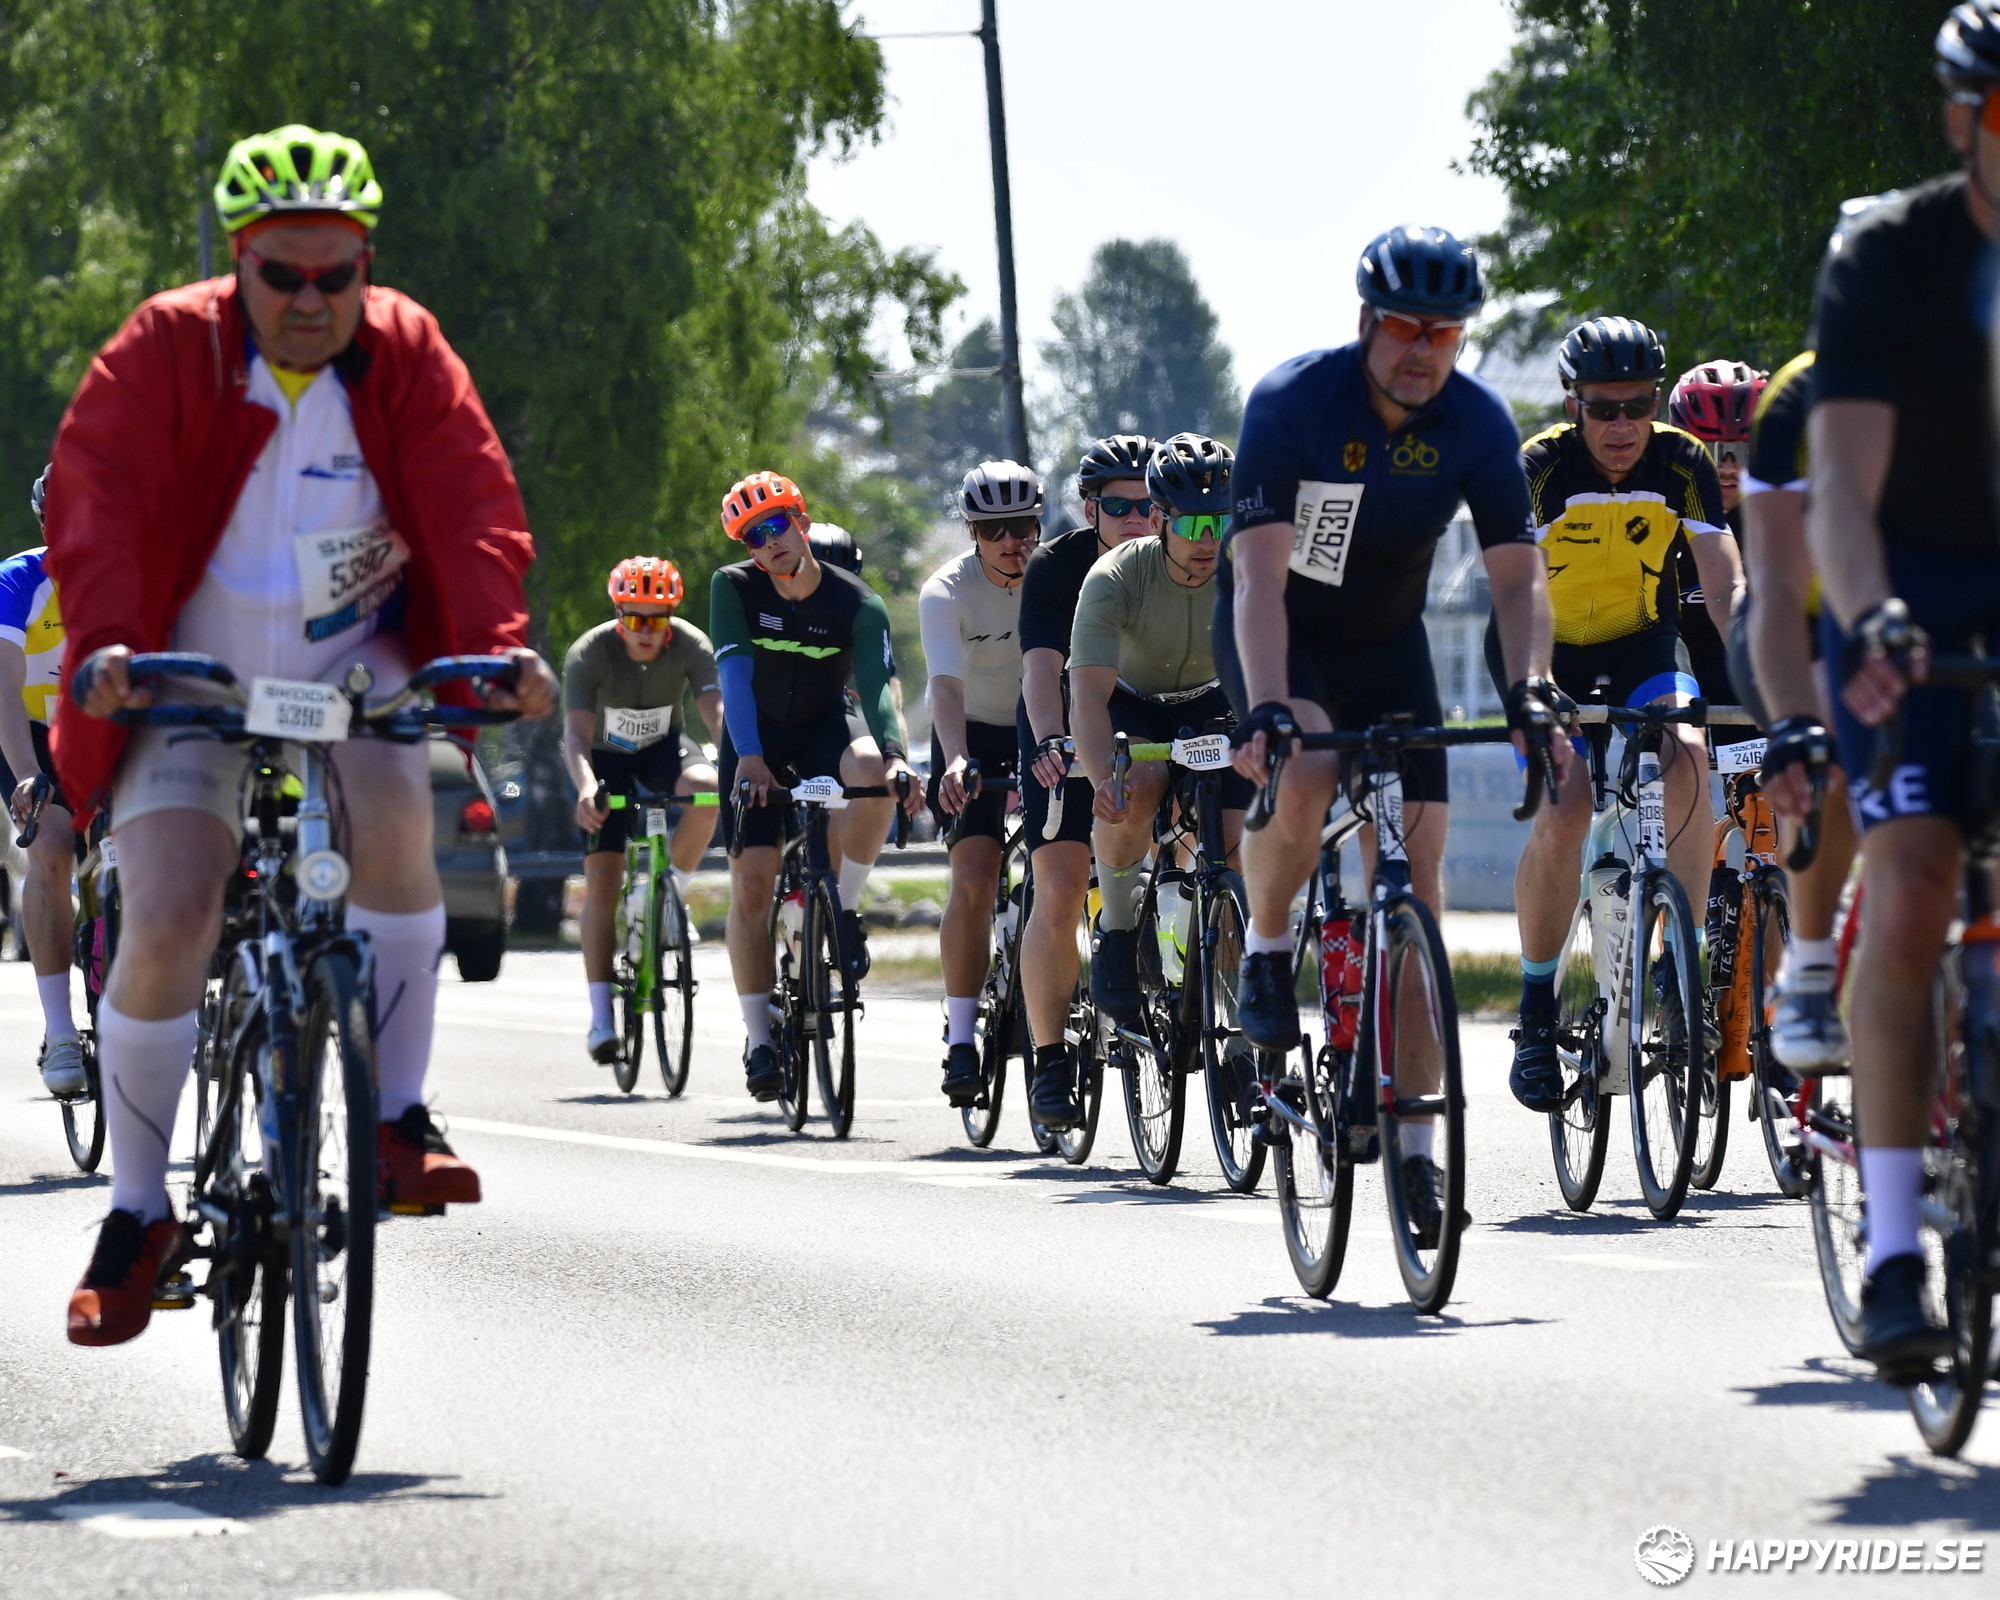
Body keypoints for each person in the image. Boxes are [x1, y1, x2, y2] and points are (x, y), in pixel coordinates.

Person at [46, 123, 556, 1347]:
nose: (313, 301)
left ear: (365, 265)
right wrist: (106, 646)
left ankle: (397, 1120)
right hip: (186, 662)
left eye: (339, 275)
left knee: (397, 815)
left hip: (350, 657)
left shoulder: (406, 348)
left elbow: (472, 500)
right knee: (172, 905)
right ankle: (135, 1214)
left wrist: (497, 649)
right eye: (284, 276)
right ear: (240, 264)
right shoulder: (166, 346)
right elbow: (97, 496)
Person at [1221, 225, 1562, 1233]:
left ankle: (1417, 1158)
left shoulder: (1475, 420)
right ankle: (1267, 946)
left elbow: (1516, 578)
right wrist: (1267, 705)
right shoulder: (1293, 403)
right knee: (1302, 774)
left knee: (1418, 903)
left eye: (1444, 333)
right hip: (1285, 639)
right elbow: (1257, 576)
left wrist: (1530, 689)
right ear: (1367, 321)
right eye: (1407, 328)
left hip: (1388, 648)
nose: (1423, 350)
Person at [1798, 0, 2000, 1380]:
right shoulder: (1886, 254)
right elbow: (1841, 492)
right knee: (1917, 878)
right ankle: (1888, 1255)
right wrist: (1869, 610)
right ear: (1960, 118)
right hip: (1903, 588)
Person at [1498, 316, 1743, 1114]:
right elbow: (1517, 587)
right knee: (1565, 809)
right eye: (1604, 408)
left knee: (1690, 758)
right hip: (1549, 648)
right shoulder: (1539, 467)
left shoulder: (1684, 461)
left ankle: (1681, 974)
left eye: (1638, 405)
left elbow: (1724, 583)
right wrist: (1536, 685)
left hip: (1643, 643)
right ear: (1573, 404)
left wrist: (1759, 663)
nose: (1621, 424)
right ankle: (1537, 1014)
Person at [710, 471, 920, 1101]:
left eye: (776, 525)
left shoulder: (859, 602)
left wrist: (898, 758)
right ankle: (760, 1039)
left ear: (801, 523)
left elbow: (877, 691)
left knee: (872, 771)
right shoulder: (733, 587)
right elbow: (735, 679)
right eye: (753, 537)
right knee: (752, 886)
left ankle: (843, 908)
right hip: (756, 736)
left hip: (825, 726)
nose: (768, 542)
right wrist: (750, 758)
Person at [1070, 434, 1252, 1021]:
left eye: (1220, 523)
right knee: (1137, 788)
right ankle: (1118, 931)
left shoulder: (1246, 569)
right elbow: (1087, 696)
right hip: (1133, 702)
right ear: (1157, 520)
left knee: (1233, 849)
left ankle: (1234, 1029)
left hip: (1211, 699)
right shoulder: (1115, 577)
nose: (1208, 541)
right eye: (1193, 525)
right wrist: (1102, 778)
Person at [1014, 434, 1156, 1128]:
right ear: (1090, 509)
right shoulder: (1055, 565)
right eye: (1119, 506)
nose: (1137, 518)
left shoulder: (1181, 559)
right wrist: (1049, 738)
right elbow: (1042, 669)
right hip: (1064, 721)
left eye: (1149, 504)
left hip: (1143, 718)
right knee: (1062, 886)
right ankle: (1048, 1060)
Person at [1733, 353, 1857, 1071]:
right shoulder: (1801, 394)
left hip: (1921, 621)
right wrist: (1793, 723)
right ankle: (1809, 967)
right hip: (1794, 624)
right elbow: (1774, 582)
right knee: (1826, 745)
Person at [564, 556, 722, 1063]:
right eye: (636, 618)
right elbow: (575, 736)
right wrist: (586, 789)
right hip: (603, 760)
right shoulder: (590, 652)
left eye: (659, 619)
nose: (648, 630)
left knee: (708, 789)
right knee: (603, 884)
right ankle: (600, 1019)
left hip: (663, 751)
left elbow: (717, 716)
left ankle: (670, 895)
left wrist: (743, 764)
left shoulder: (692, 643)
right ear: (619, 615)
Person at [919, 461, 1039, 1104]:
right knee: (974, 875)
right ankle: (962, 1039)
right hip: (969, 732)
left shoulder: (1057, 576)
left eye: (1024, 526)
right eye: (995, 530)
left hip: (1041, 726)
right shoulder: (947, 590)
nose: (1012, 541)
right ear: (973, 533)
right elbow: (944, 685)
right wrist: (956, 758)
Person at [0, 470, 87, 1098]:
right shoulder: (18, 579)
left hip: (107, 731)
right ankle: (60, 1032)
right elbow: (3, 687)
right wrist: (26, 770)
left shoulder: (136, 574)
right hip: (30, 734)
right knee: (52, 850)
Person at [1666, 359, 1766, 721]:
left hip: (1746, 658)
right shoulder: (1652, 509)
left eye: (1742, 451)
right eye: (1712, 450)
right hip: (1668, 660)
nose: (1727, 467)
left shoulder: (1782, 514)